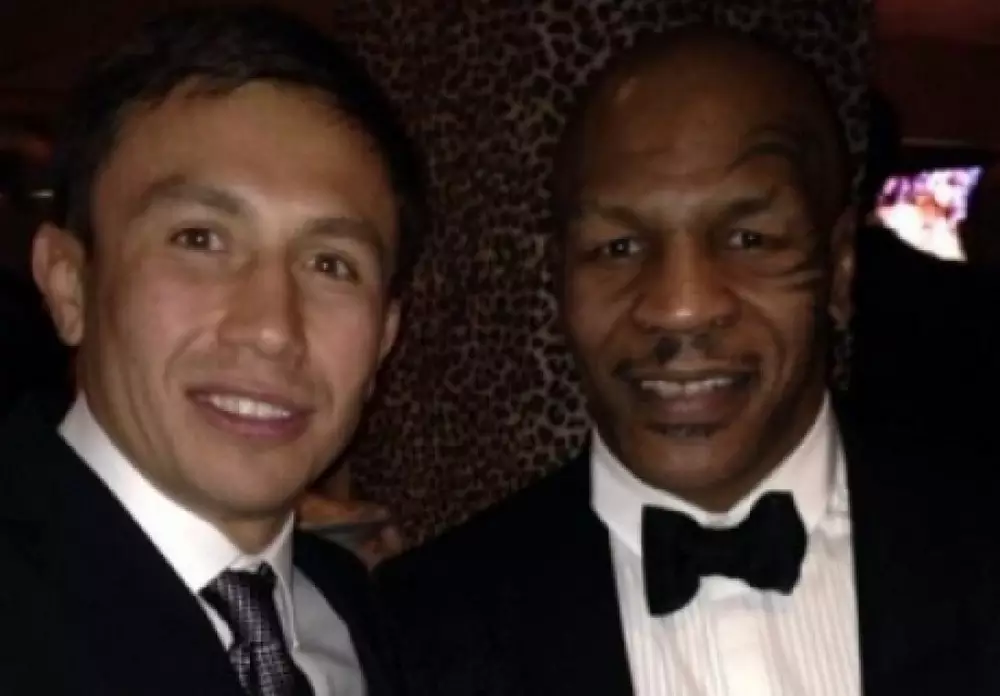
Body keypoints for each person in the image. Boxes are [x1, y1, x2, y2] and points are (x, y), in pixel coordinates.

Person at [376, 28, 1000, 696]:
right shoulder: (416, 631)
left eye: (748, 238)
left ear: (839, 269)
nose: (680, 307)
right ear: (559, 281)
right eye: (617, 247)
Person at [0, 6, 424, 696]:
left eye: (331, 264)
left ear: (384, 339)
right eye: (199, 239)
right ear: (70, 285)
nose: (272, 328)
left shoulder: (361, 613)